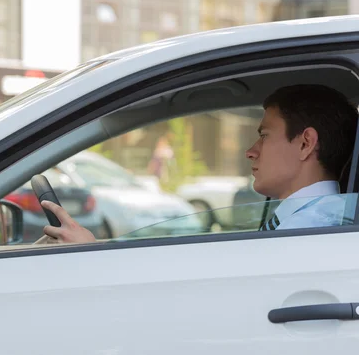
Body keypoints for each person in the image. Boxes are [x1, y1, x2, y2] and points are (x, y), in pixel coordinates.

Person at [41, 84, 359, 243]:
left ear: (305, 143)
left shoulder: (311, 232)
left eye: (264, 135)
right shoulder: (309, 222)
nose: (251, 151)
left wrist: (92, 254)